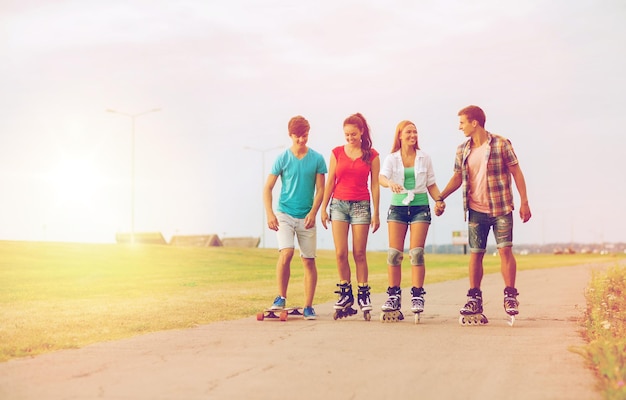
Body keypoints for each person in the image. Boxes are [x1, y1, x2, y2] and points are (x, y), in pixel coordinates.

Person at [437, 105, 531, 322]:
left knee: (505, 250)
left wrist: (524, 201)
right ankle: (474, 297)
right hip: (476, 210)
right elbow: (457, 177)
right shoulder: (462, 149)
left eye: (462, 123)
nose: (459, 127)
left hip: (501, 207)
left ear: (474, 123)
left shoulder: (501, 143)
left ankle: (510, 295)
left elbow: (516, 171)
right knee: (476, 253)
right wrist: (441, 196)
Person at [378, 120, 445, 318]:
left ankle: (417, 294)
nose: (412, 135)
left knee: (416, 253)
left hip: (419, 207)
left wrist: (439, 200)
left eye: (415, 132)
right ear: (399, 135)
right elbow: (381, 178)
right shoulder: (392, 158)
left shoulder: (425, 158)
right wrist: (390, 183)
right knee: (394, 254)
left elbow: (431, 184)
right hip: (398, 207)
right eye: (408, 132)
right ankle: (393, 295)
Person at [263, 115, 327, 320]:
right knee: (287, 252)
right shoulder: (282, 158)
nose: (302, 140)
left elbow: (321, 189)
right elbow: (268, 188)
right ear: (291, 135)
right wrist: (270, 213)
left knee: (309, 261)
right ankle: (281, 297)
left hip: (306, 216)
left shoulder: (317, 159)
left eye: (305, 135)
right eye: (298, 136)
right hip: (284, 214)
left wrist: (313, 213)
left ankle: (309, 306)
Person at [320, 113, 380, 319]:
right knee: (340, 253)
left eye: (353, 134)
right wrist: (323, 208)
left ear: (361, 132)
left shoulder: (371, 155)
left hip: (361, 205)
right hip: (338, 205)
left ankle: (363, 294)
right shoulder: (337, 153)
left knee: (359, 253)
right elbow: (330, 182)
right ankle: (345, 293)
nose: (349, 138)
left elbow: (375, 185)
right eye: (346, 135)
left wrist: (377, 213)